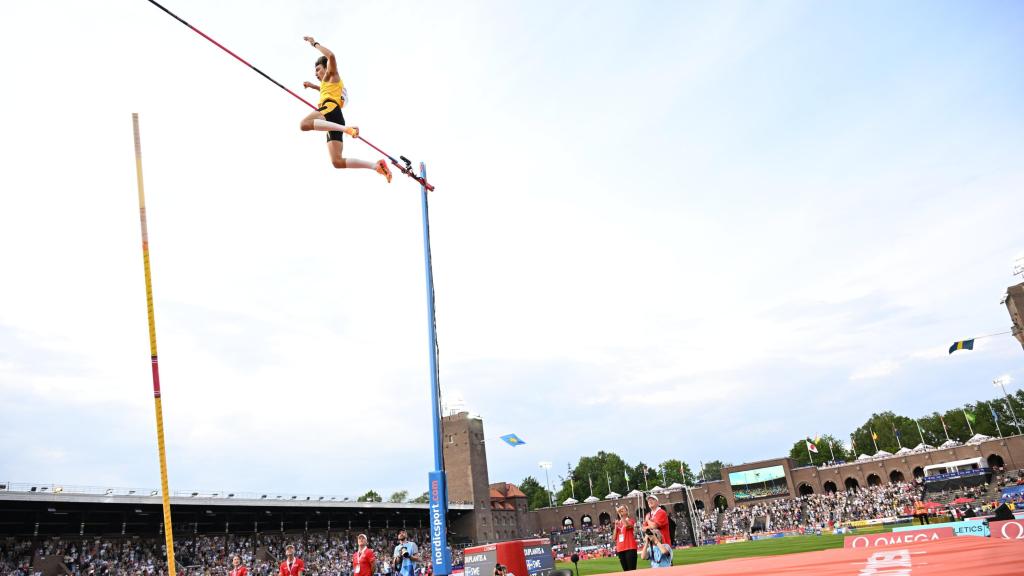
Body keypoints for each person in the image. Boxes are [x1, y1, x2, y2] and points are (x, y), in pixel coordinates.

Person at [298, 36, 392, 183]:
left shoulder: (331, 74)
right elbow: (326, 91)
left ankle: (347, 129)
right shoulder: (328, 84)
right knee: (337, 162)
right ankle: (376, 166)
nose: (316, 73)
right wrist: (312, 86)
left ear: (326, 68)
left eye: (318, 69)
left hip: (330, 110)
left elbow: (331, 56)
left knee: (304, 124)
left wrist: (314, 43)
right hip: (334, 116)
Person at [612, 505, 637, 571]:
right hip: (620, 549)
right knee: (625, 571)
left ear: (627, 511)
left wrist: (621, 516)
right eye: (620, 509)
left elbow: (626, 525)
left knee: (631, 570)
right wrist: (615, 527)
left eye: (623, 509)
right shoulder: (618, 522)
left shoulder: (631, 520)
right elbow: (614, 538)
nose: (621, 510)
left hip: (630, 548)